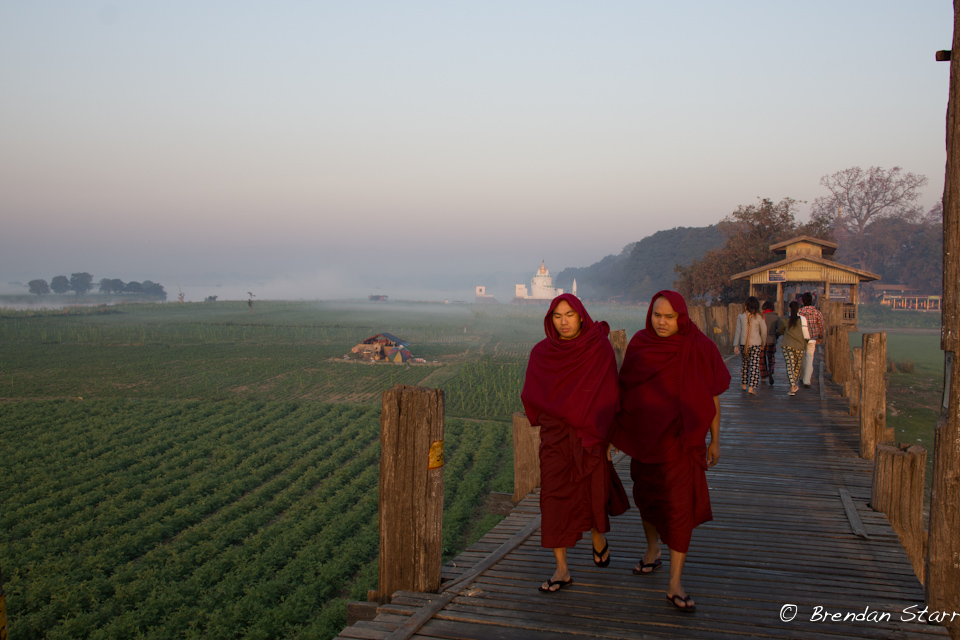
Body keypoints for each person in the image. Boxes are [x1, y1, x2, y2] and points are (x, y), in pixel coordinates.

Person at [612, 291, 730, 613]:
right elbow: (627, 392)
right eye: (656, 315)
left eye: (669, 317)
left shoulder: (700, 347)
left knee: (679, 508)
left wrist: (715, 440)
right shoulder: (639, 344)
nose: (662, 323)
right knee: (648, 499)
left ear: (682, 317)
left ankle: (675, 581)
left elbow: (714, 397)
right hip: (646, 441)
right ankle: (653, 550)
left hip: (682, 443)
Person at [521, 293, 628, 593]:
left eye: (569, 314)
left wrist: (608, 437)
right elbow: (532, 393)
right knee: (554, 497)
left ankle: (598, 537)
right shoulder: (543, 352)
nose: (564, 321)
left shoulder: (599, 348)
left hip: (591, 434)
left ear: (582, 316)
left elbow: (609, 394)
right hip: (556, 437)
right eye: (557, 316)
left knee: (592, 493)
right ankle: (562, 568)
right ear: (549, 319)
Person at [732, 296, 767, 395]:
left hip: (744, 344)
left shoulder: (741, 316)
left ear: (746, 305)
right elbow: (764, 331)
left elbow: (738, 331)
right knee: (754, 366)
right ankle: (751, 387)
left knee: (745, 364)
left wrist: (736, 345)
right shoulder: (759, 317)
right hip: (756, 344)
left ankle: (744, 384)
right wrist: (763, 343)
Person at [777, 300, 811, 396]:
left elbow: (780, 330)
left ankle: (793, 385)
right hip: (800, 346)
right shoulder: (803, 321)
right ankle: (794, 384)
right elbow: (807, 333)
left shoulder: (785, 320)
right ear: (799, 309)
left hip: (788, 345)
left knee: (790, 365)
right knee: (797, 365)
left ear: (789, 309)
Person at [798, 292, 825, 388]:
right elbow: (821, 326)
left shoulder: (799, 312)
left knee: (801, 358)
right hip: (813, 338)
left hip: (801, 338)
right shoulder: (817, 313)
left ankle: (801, 376)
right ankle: (807, 380)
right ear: (812, 301)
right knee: (810, 358)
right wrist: (820, 336)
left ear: (802, 301)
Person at [759, 300, 780, 385]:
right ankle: (770, 370)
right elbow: (780, 328)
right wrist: (776, 335)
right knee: (771, 357)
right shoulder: (776, 317)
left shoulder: (761, 316)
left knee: (762, 358)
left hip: (762, 340)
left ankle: (763, 376)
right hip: (772, 339)